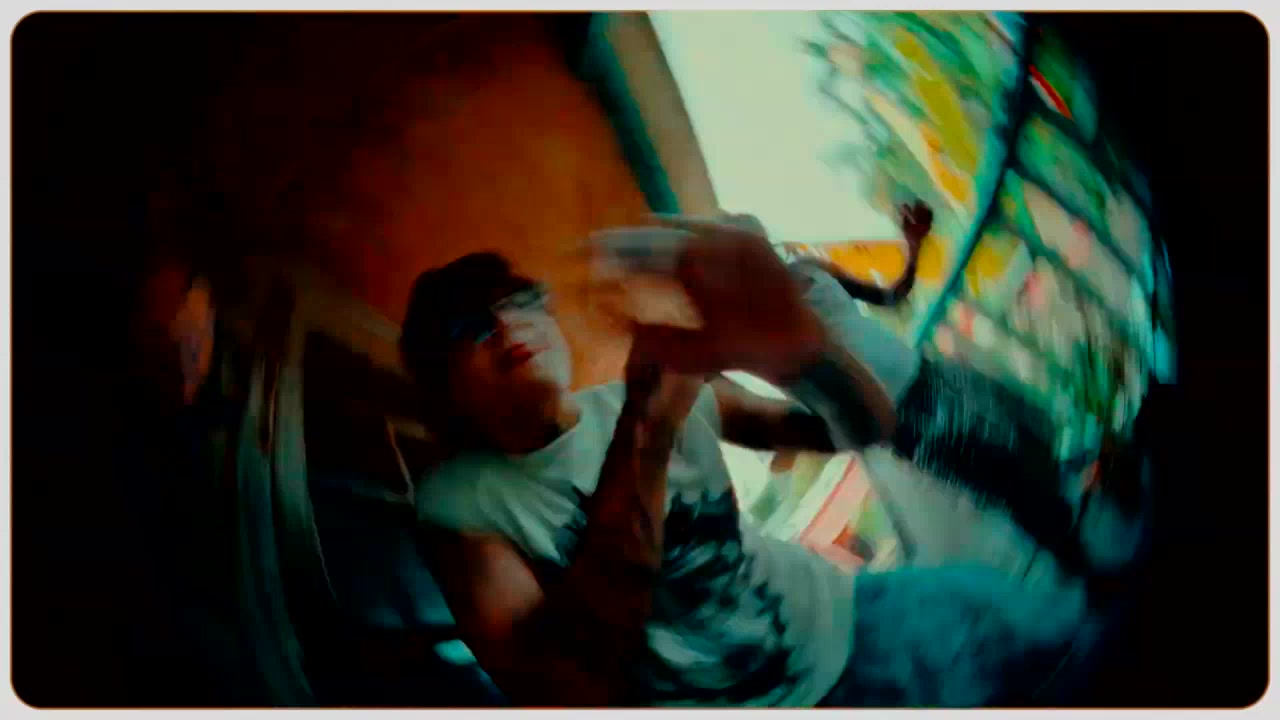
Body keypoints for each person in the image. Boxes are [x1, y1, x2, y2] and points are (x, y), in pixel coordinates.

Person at [400, 212, 1096, 708]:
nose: (507, 324)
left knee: (1043, 625)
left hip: (856, 615)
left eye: (520, 299)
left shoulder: (638, 392)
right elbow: (561, 691)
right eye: (469, 326)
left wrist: (804, 357)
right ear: (442, 382)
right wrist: (649, 428)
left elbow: (859, 430)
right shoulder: (462, 499)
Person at [778, 202, 1099, 578]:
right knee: (994, 476)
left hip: (926, 373)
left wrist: (913, 244)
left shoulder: (809, 268)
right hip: (898, 417)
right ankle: (1075, 559)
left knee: (1022, 435)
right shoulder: (768, 330)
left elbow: (891, 297)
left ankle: (1072, 515)